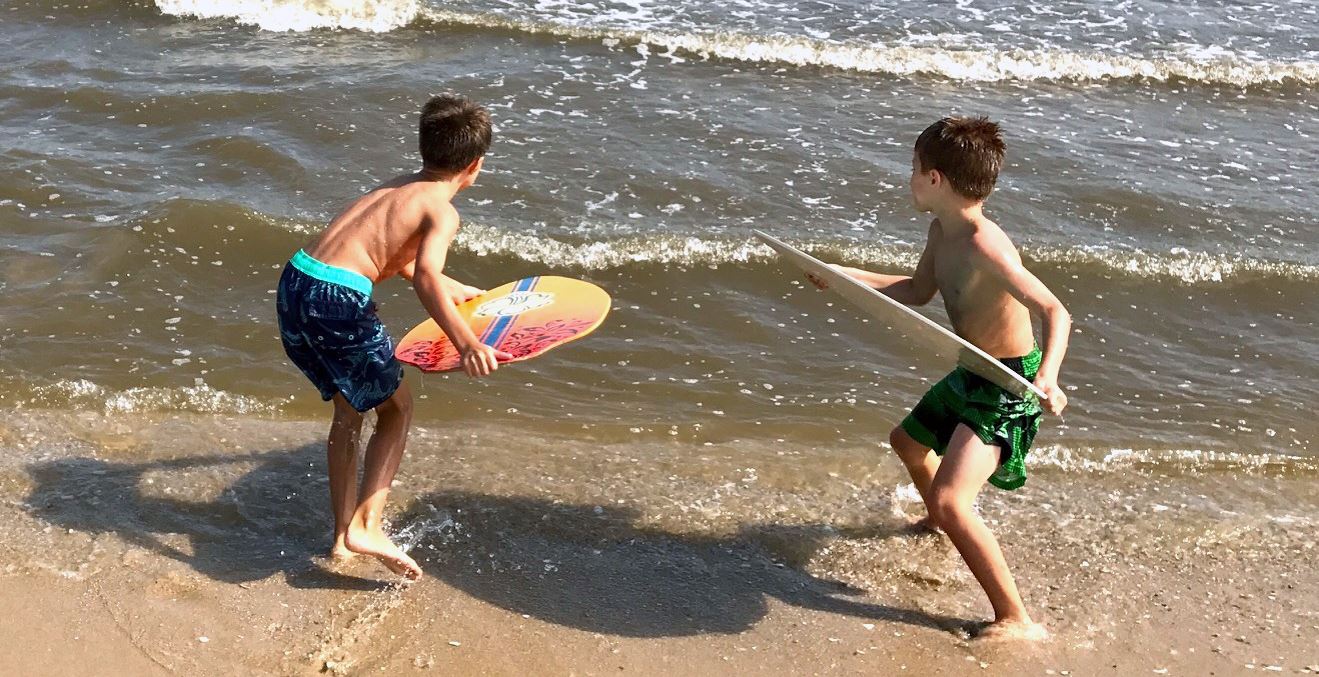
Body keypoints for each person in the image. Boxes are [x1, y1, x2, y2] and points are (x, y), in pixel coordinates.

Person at [810, 116, 1071, 640]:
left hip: (1008, 385)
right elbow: (917, 290)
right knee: (907, 442)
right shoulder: (941, 230)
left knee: (956, 499)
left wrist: (1049, 377)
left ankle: (1015, 618)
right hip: (973, 370)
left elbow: (1055, 310)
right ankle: (936, 522)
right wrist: (847, 278)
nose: (908, 177)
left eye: (913, 169)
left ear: (936, 181)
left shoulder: (984, 246)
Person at [275, 94, 509, 579]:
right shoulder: (444, 212)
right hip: (337, 299)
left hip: (296, 282)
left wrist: (458, 288)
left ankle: (343, 538)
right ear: (476, 165)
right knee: (397, 408)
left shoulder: (399, 186)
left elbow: (389, 253)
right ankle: (369, 525)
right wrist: (467, 342)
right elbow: (424, 276)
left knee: (347, 409)